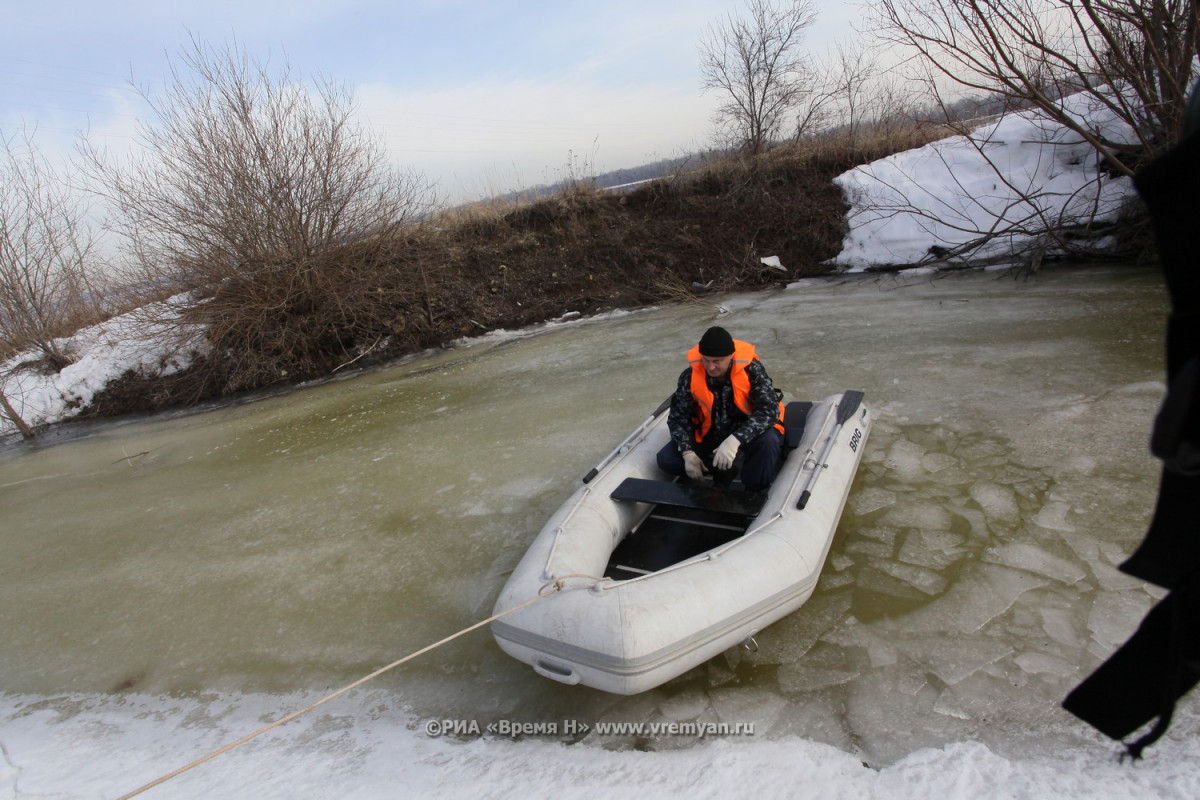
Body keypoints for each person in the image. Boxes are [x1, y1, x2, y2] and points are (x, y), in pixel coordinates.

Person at [656, 326, 786, 492]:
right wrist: (687, 452)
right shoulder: (689, 376)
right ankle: (722, 471)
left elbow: (769, 411)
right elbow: (678, 418)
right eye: (706, 360)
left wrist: (735, 440)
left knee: (768, 443)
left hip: (747, 431)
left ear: (731, 356)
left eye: (717, 361)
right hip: (712, 432)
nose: (710, 367)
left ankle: (754, 490)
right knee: (666, 460)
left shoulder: (752, 371)